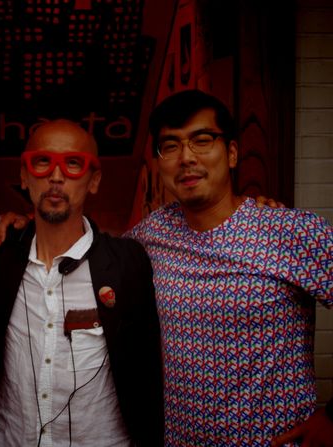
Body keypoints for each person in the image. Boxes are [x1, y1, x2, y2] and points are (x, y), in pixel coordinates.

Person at [122, 89, 333, 446]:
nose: (186, 157)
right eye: (170, 146)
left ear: (232, 153)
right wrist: (25, 229)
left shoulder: (292, 231)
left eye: (202, 140)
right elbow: (93, 256)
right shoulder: (151, 235)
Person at [0, 119, 164, 446]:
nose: (56, 176)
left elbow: (146, 375)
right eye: (42, 161)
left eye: (73, 164)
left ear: (94, 180)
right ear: (24, 176)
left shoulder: (128, 265)